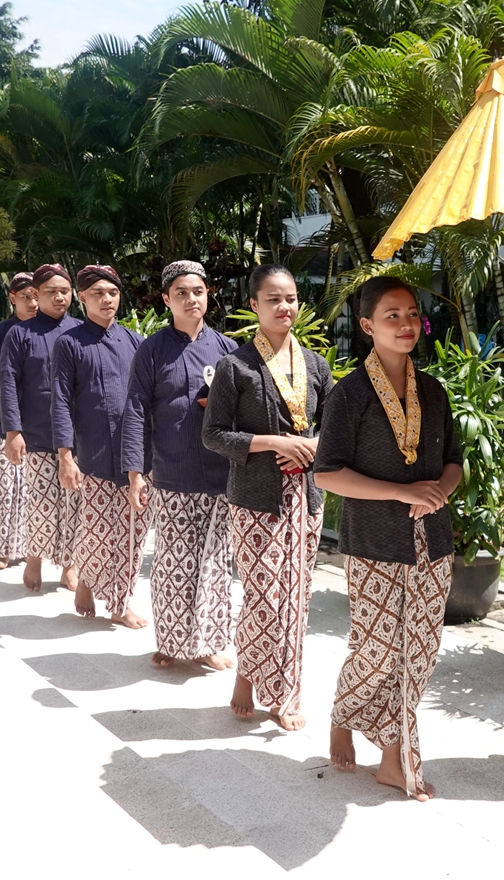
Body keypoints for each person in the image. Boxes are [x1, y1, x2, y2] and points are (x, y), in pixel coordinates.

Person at [315, 277, 462, 801]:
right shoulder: (350, 394)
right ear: (366, 326)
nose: (406, 324)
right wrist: (402, 492)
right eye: (392, 315)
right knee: (377, 650)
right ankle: (343, 714)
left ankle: (394, 758)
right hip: (374, 541)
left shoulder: (434, 391)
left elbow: (453, 462)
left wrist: (438, 492)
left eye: (412, 314)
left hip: (432, 540)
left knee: (419, 650)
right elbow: (326, 473)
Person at [203, 265, 333, 730]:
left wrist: (312, 445)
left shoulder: (316, 366)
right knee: (264, 595)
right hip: (255, 499)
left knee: (296, 598)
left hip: (306, 498)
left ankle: (283, 695)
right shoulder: (234, 366)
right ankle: (250, 675)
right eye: (274, 299)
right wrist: (272, 442)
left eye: (291, 298)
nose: (284, 307)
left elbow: (335, 430)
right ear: (254, 305)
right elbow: (214, 434)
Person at [121, 259, 238, 669]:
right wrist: (135, 473)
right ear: (167, 299)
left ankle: (208, 644)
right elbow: (135, 411)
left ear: (208, 296)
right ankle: (171, 642)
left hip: (221, 475)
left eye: (198, 291)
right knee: (174, 562)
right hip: (172, 473)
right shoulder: (152, 350)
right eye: (182, 293)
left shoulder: (227, 350)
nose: (191, 299)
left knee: (215, 563)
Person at [52, 265, 146, 626]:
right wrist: (65, 455)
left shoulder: (136, 342)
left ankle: (120, 604)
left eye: (113, 293)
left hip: (135, 453)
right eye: (98, 294)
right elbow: (60, 400)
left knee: (133, 532)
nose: (107, 299)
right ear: (82, 297)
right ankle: (88, 579)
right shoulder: (70, 343)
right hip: (93, 452)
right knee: (96, 529)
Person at [0, 264, 83, 594]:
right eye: (51, 291)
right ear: (36, 294)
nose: (59, 297)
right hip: (38, 433)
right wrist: (13, 431)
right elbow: (7, 383)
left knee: (76, 504)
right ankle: (34, 558)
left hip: (79, 434)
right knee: (43, 503)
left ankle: (70, 566)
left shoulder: (81, 331)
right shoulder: (21, 334)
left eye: (64, 291)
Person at [0, 271, 38, 570]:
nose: (33, 303)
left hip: (41, 427)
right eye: (26, 297)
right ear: (13, 298)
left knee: (32, 490)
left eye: (37, 296)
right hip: (2, 426)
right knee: (5, 488)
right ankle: (3, 550)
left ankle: (31, 549)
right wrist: (12, 417)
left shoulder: (50, 333)